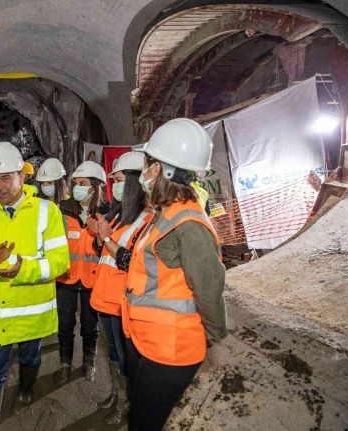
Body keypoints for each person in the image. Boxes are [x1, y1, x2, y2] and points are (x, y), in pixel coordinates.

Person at [125, 118, 227, 431]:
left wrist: (211, 335)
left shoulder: (190, 225)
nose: (144, 170)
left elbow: (209, 290)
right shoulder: (162, 215)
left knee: (143, 424)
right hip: (145, 340)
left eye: (148, 163)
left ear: (162, 170)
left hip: (170, 350)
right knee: (141, 416)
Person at [0, 141, 69, 430]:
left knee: (30, 359)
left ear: (22, 176)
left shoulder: (47, 213)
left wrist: (25, 269)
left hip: (32, 315)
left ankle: (26, 388)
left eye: (6, 178)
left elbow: (60, 262)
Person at [86, 151, 152, 424]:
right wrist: (100, 233)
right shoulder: (120, 215)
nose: (116, 185)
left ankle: (127, 404)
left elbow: (131, 260)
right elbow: (100, 248)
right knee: (113, 353)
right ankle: (117, 395)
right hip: (106, 299)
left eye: (121, 179)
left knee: (126, 358)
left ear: (136, 182)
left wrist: (107, 239)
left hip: (123, 302)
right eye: (114, 180)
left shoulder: (147, 219)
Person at [54, 160, 107, 384]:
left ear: (94, 187)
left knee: (89, 326)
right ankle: (65, 363)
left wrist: (98, 237)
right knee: (65, 324)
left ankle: (89, 362)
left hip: (92, 278)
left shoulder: (106, 212)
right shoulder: (63, 209)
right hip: (65, 277)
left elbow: (108, 247)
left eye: (83, 183)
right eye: (75, 183)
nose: (77, 187)